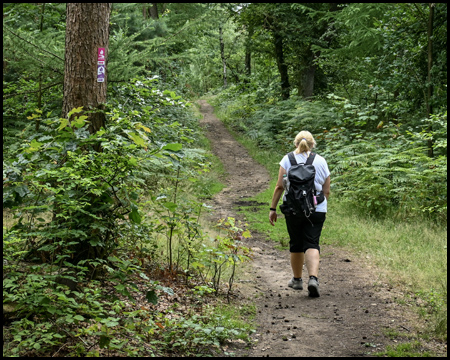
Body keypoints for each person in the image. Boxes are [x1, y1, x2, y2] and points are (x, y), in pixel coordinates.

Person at [269, 130, 330, 297]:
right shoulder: (321, 161)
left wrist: (273, 209)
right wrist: (318, 206)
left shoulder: (287, 159)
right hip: (316, 209)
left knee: (296, 243)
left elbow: (280, 186)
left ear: (296, 144)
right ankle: (313, 279)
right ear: (313, 144)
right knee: (312, 242)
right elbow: (326, 190)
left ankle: (297, 280)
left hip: (293, 209)